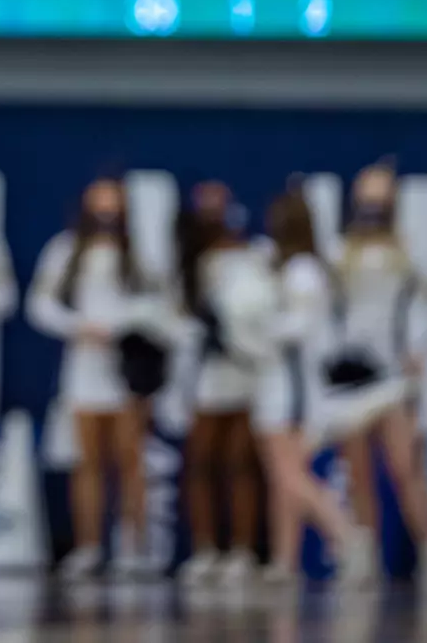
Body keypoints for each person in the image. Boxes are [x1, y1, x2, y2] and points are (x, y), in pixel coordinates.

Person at [244, 185, 374, 585]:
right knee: (284, 477)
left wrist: (257, 327)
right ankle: (286, 560)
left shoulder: (303, 271)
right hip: (277, 381)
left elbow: (299, 327)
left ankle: (347, 533)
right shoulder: (280, 267)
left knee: (287, 474)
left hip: (292, 387)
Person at [27, 178, 155, 579]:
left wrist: (125, 324)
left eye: (113, 207)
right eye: (98, 207)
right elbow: (40, 304)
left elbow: (160, 303)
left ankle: (136, 548)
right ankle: (89, 546)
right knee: (88, 461)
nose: (105, 215)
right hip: (83, 367)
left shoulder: (140, 253)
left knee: (131, 459)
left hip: (127, 369)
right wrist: (79, 326)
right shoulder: (65, 250)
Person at [331, 162, 427, 587]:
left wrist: (416, 352)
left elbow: (425, 311)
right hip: (350, 377)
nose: (371, 211)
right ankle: (365, 557)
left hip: (392, 377)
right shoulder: (338, 253)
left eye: (379, 203)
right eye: (366, 202)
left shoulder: (407, 256)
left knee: (404, 467)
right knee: (357, 471)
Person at [173, 182, 262, 586]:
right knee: (202, 460)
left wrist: (239, 336)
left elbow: (259, 310)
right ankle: (206, 548)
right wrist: (198, 332)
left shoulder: (252, 256)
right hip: (206, 373)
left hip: (246, 368)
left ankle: (242, 550)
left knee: (241, 461)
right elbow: (176, 315)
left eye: (219, 207)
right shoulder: (189, 261)